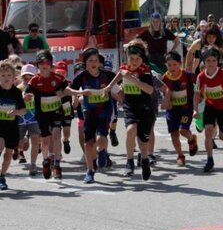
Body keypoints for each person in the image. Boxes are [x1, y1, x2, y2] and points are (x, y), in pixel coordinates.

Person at [104, 40, 155, 181]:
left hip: (145, 107)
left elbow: (150, 90)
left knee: (143, 141)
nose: (134, 61)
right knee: (130, 130)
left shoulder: (145, 71)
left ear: (142, 59)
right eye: (131, 58)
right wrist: (109, 87)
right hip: (130, 106)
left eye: (137, 59)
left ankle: (145, 161)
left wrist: (132, 79)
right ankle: (129, 161)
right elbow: (120, 74)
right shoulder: (125, 68)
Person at [70, 48, 118, 184]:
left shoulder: (106, 75)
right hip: (89, 114)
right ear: (85, 62)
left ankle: (102, 152)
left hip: (104, 112)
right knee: (88, 142)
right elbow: (69, 89)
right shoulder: (82, 76)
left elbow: (118, 82)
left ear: (99, 62)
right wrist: (78, 94)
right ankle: (90, 171)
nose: (93, 63)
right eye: (90, 60)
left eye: (96, 60)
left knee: (101, 139)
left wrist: (117, 93)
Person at [194, 46, 223, 173]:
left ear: (217, 61)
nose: (211, 64)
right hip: (210, 106)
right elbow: (197, 93)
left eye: (214, 61)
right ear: (204, 62)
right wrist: (196, 110)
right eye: (208, 61)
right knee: (208, 132)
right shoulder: (200, 77)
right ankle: (209, 160)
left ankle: (221, 130)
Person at [25, 50, 69, 180]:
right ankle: (45, 161)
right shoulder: (34, 81)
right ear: (38, 65)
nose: (45, 65)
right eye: (42, 62)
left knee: (56, 135)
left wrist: (75, 94)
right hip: (42, 114)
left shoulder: (58, 79)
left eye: (47, 62)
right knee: (44, 141)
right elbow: (26, 93)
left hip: (56, 112)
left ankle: (57, 164)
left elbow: (67, 90)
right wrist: (26, 97)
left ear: (51, 64)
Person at [162, 51, 198, 166]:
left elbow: (198, 87)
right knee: (174, 134)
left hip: (186, 108)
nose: (172, 67)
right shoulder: (164, 78)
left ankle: (191, 138)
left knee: (183, 130)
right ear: (165, 65)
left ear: (180, 64)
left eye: (175, 65)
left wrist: (199, 101)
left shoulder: (188, 75)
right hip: (172, 110)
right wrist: (167, 101)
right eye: (169, 65)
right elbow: (164, 92)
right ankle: (180, 155)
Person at [0, 60, 27, 190]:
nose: (6, 78)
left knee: (8, 154)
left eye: (8, 75)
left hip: (11, 127)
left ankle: (2, 176)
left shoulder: (16, 92)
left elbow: (24, 110)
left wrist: (16, 112)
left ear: (13, 77)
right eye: (3, 75)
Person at [17, 64, 40, 176]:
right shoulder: (18, 88)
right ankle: (24, 141)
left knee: (36, 140)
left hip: (34, 118)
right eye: (25, 77)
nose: (27, 79)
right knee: (20, 144)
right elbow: (13, 102)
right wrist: (23, 98)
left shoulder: (38, 87)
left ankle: (33, 164)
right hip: (20, 118)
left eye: (30, 77)